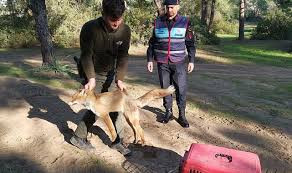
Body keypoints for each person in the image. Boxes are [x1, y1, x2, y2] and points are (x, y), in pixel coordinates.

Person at [70, 0, 132, 156]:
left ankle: (118, 141)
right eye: (112, 19)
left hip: (111, 74)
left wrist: (120, 78)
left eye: (119, 19)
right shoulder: (90, 28)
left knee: (116, 106)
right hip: (92, 72)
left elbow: (123, 56)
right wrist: (90, 78)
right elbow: (86, 56)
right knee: (96, 108)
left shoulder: (125, 30)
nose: (116, 23)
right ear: (103, 14)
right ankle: (78, 137)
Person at [146, 0, 196, 128]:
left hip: (179, 62)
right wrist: (150, 59)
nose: (170, 10)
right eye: (168, 7)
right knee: (166, 89)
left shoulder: (185, 22)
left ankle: (182, 115)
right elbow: (152, 43)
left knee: (181, 89)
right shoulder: (158, 22)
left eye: (172, 7)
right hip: (162, 62)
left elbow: (190, 43)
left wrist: (191, 60)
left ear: (178, 7)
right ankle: (168, 112)